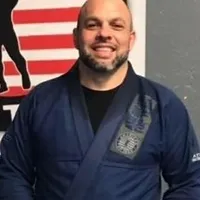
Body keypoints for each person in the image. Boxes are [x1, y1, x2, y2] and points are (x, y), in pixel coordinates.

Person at [0, 0, 200, 199]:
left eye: (116, 25)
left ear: (130, 40)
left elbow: (191, 182)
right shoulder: (40, 101)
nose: (104, 34)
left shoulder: (162, 105)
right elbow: (10, 173)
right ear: (76, 38)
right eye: (92, 24)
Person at [0, 0, 31, 93]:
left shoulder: (4, 4)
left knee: (15, 56)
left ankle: (24, 75)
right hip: (7, 31)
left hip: (7, 32)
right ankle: (2, 84)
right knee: (16, 56)